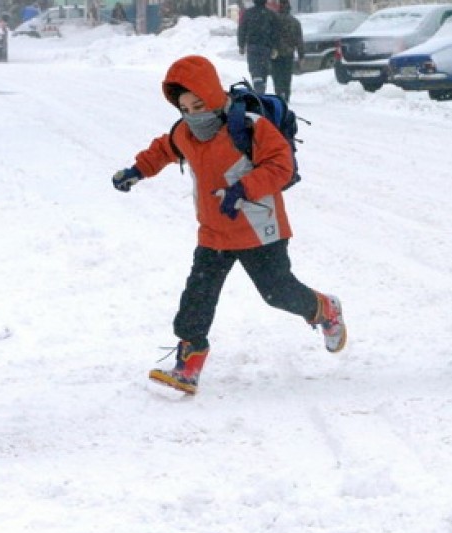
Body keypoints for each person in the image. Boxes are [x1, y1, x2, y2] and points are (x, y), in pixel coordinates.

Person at [111, 55, 346, 395]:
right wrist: (135, 171)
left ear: (212, 94)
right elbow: (163, 150)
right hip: (214, 233)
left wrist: (244, 188)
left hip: (259, 229)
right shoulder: (184, 133)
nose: (194, 114)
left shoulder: (248, 127)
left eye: (199, 104)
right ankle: (188, 365)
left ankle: (324, 309)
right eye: (185, 108)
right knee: (197, 297)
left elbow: (280, 165)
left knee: (277, 293)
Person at [237, 0, 280, 94]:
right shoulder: (271, 14)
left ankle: (258, 88)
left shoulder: (248, 13)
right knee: (263, 70)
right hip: (266, 47)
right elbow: (276, 32)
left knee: (255, 69)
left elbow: (242, 29)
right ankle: (261, 89)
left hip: (252, 47)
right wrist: (275, 47)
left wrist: (241, 45)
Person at [270, 0, 303, 103]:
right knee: (287, 75)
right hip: (289, 53)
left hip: (276, 53)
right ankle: (286, 94)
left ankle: (279, 93)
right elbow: (299, 40)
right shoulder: (295, 22)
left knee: (277, 74)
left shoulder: (274, 20)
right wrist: (301, 55)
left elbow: (269, 36)